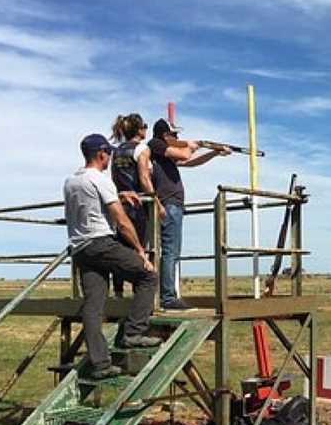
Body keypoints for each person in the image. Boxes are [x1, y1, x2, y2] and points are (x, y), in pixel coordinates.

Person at [64, 133, 161, 379]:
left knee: (94, 305)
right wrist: (140, 251)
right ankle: (134, 332)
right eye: (108, 153)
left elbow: (90, 203)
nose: (109, 158)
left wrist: (120, 194)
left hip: (81, 249)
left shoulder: (71, 181)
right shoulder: (100, 179)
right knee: (147, 276)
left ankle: (100, 364)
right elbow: (121, 220)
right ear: (101, 154)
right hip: (101, 243)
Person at [149, 118, 230, 309]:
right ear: (165, 135)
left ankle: (166, 295)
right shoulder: (156, 145)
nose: (178, 137)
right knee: (170, 251)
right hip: (168, 205)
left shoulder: (163, 153)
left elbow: (190, 162)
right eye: (174, 134)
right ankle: (167, 297)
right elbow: (186, 156)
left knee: (170, 251)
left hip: (171, 205)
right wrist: (193, 145)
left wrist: (213, 152)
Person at [109, 113, 165, 297]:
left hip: (119, 204)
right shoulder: (142, 149)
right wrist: (157, 203)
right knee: (141, 248)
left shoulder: (116, 151)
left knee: (120, 249)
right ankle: (139, 294)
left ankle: (117, 294)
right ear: (140, 130)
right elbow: (143, 178)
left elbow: (114, 178)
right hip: (138, 205)